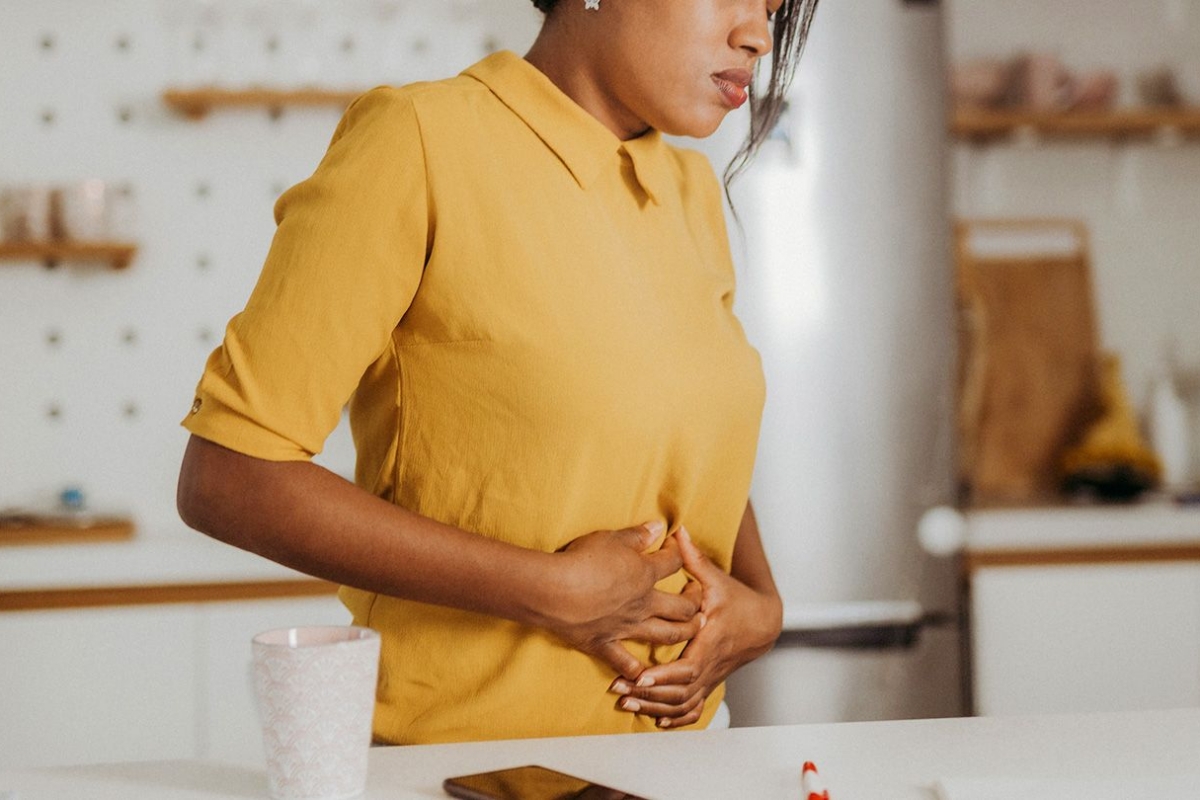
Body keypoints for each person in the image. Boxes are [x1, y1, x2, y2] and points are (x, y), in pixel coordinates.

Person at [177, 0, 819, 744]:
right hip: (459, 770)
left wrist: (761, 602)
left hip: (681, 764)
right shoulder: (419, 140)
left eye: (773, 8)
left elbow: (688, 435)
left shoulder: (688, 189)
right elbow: (228, 478)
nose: (757, 36)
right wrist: (548, 590)